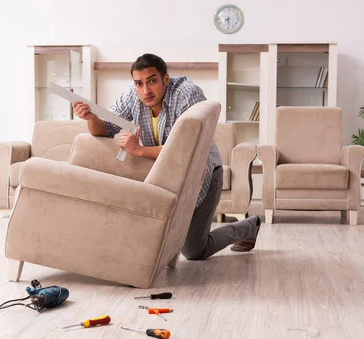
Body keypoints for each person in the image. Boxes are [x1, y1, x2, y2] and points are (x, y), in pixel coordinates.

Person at [72, 53, 260, 260]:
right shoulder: (132, 95)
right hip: (165, 172)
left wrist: (139, 151)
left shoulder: (187, 94)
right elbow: (104, 130)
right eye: (139, 83)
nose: (145, 90)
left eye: (152, 81)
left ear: (166, 79)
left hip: (202, 171)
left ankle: (250, 227)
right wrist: (90, 117)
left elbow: (189, 148)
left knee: (194, 251)